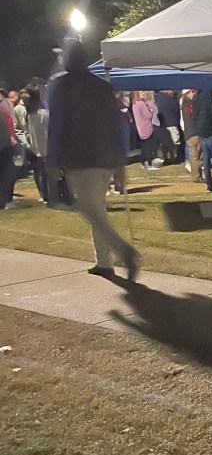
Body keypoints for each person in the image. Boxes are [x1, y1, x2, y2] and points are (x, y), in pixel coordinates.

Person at [47, 42, 140, 280]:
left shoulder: (61, 86)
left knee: (90, 209)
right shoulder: (102, 85)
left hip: (80, 158)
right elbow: (116, 123)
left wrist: (53, 159)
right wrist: (120, 161)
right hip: (105, 157)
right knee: (96, 208)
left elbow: (56, 125)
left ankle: (124, 251)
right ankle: (104, 261)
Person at [15, 84, 48, 203]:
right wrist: (26, 143)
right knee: (38, 170)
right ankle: (43, 194)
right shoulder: (19, 109)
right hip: (31, 145)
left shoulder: (42, 110)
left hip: (44, 144)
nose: (24, 95)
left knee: (47, 170)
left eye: (27, 93)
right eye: (23, 92)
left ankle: (51, 193)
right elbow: (18, 128)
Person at [131, 90, 160, 169]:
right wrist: (151, 111)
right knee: (148, 147)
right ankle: (149, 165)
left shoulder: (134, 104)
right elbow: (148, 115)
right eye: (141, 92)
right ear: (137, 94)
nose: (143, 93)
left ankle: (143, 163)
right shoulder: (141, 104)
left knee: (144, 147)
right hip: (146, 127)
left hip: (140, 128)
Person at [179, 89, 202, 181]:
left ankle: (196, 174)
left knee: (194, 155)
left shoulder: (184, 105)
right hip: (194, 132)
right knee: (196, 155)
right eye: (192, 92)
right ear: (187, 94)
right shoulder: (190, 105)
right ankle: (197, 175)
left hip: (188, 133)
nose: (195, 93)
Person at [155, 89, 181, 165]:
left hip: (162, 125)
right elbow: (176, 109)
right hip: (172, 123)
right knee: (174, 142)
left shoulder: (156, 99)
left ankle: (166, 158)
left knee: (165, 144)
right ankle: (173, 157)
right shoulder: (170, 99)